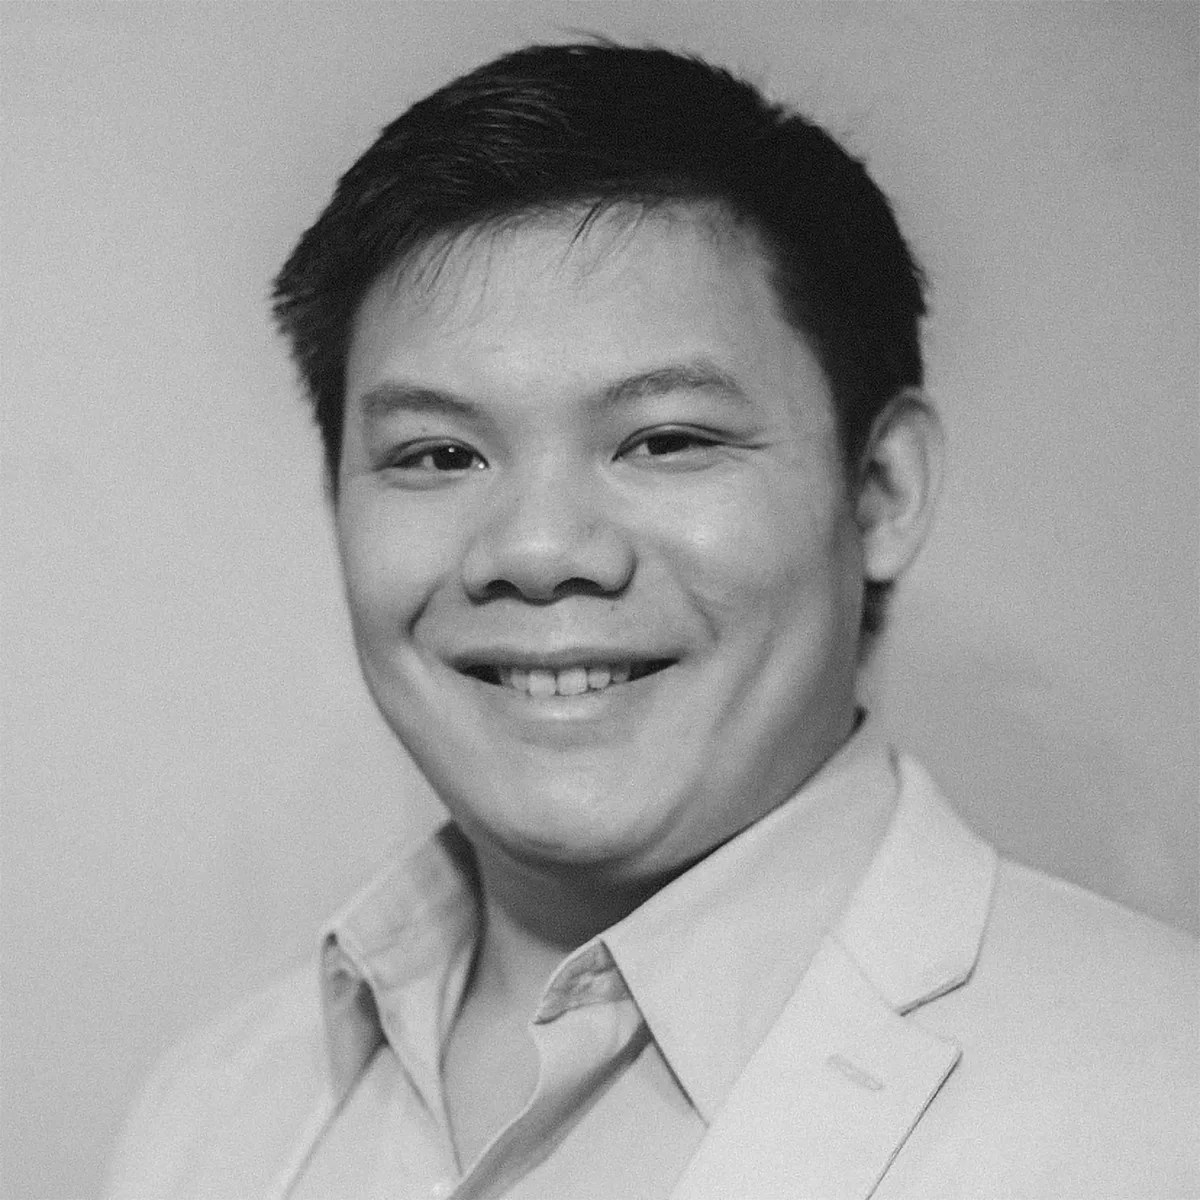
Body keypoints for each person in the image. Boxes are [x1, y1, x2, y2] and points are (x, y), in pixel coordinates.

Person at [105, 41, 1196, 1200]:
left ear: (881, 488)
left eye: (666, 440)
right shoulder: (210, 1111)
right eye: (437, 453)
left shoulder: (1163, 1103)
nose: (536, 551)